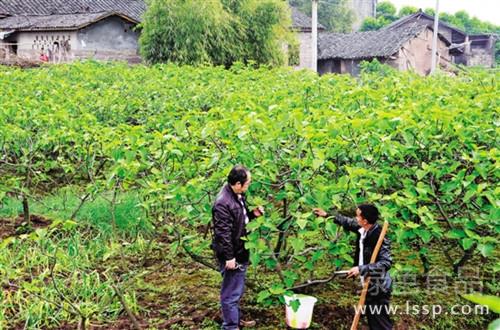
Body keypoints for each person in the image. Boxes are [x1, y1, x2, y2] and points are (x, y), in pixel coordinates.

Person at [314, 204, 393, 330]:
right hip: (369, 283)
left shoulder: (379, 236)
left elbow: (386, 263)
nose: (355, 218)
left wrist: (361, 269)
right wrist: (327, 215)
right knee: (374, 320)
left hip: (379, 286)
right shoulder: (363, 229)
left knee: (380, 323)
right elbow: (348, 222)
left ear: (365, 221)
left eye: (357, 216)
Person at [211, 165, 264, 330]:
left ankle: (234, 321)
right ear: (238, 183)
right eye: (247, 183)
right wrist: (229, 257)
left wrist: (251, 214)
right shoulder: (223, 203)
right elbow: (223, 234)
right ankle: (231, 327)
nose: (249, 185)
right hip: (233, 254)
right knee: (230, 295)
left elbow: (238, 219)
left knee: (235, 291)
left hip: (240, 251)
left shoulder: (236, 195)